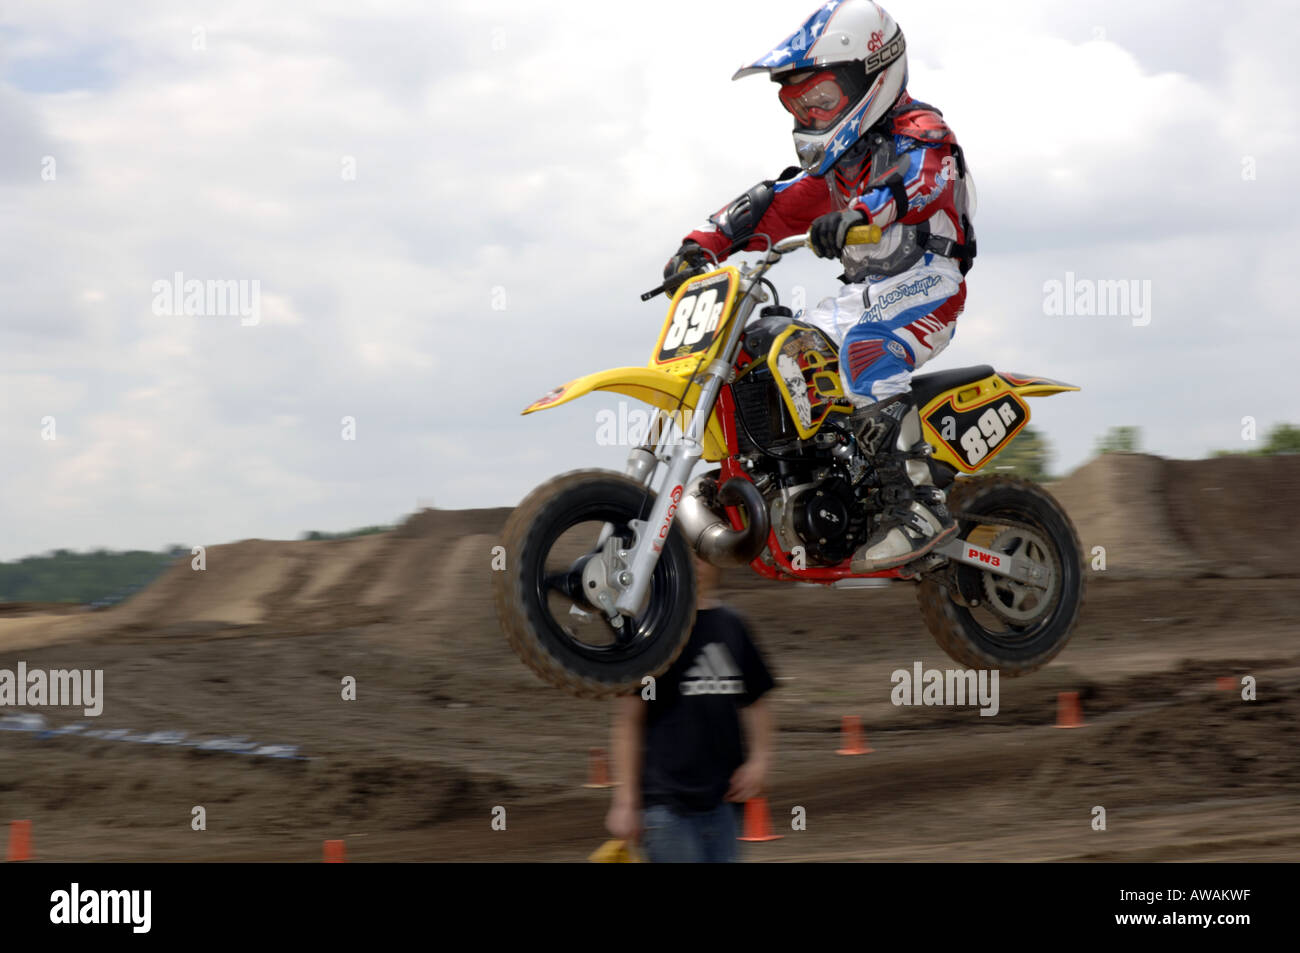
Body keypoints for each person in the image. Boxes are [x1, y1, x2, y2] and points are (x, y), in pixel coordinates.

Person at [664, 0, 977, 573]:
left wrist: (864, 211)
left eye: (823, 99)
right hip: (864, 294)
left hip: (927, 283)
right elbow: (774, 207)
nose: (810, 112)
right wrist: (701, 244)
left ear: (872, 73)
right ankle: (798, 476)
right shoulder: (838, 166)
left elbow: (919, 180)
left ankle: (918, 507)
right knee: (769, 351)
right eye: (799, 103)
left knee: (865, 352)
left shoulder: (922, 135)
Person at [605, 556, 775, 862]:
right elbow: (627, 722)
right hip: (666, 807)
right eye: (686, 550)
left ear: (718, 561)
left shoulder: (733, 625)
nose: (695, 560)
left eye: (703, 552)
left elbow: (756, 702)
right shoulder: (649, 630)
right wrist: (625, 800)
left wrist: (759, 761)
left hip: (724, 803)